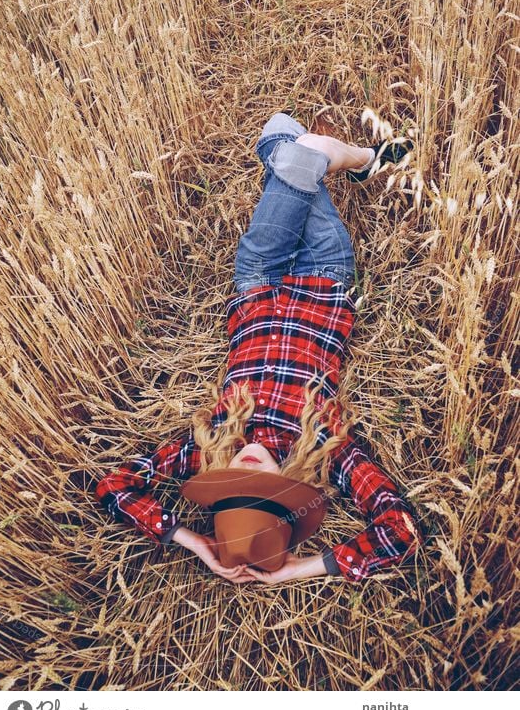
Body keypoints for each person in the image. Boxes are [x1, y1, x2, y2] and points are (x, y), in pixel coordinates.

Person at [94, 111, 422, 585]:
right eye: (260, 488)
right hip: (325, 276)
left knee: (283, 136)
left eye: (232, 490)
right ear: (285, 494)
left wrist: (193, 542)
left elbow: (115, 487)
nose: (246, 469)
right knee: (293, 146)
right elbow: (399, 528)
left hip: (257, 278)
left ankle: (352, 159)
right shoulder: (325, 450)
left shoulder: (210, 445)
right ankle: (353, 158)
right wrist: (301, 569)